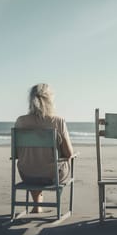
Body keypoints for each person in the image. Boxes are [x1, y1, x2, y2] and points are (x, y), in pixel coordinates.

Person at [15, 83, 74, 213]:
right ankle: (45, 205)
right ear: (50, 100)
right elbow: (69, 154)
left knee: (33, 162)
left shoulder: (20, 121)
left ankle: (37, 205)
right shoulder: (58, 121)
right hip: (52, 177)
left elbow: (16, 154)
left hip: (27, 175)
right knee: (55, 163)